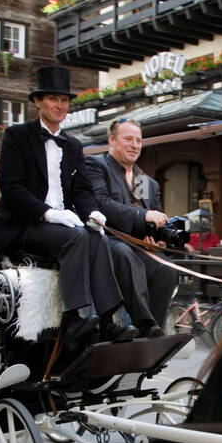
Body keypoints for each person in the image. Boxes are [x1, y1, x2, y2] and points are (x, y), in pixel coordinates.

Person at [0, 66, 136, 349]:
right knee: (79, 237)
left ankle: (107, 320)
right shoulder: (16, 136)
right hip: (26, 224)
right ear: (38, 102)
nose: (60, 106)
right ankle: (76, 315)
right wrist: (48, 213)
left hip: (62, 223)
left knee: (96, 236)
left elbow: (81, 190)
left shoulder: (72, 145)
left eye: (65, 100)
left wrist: (92, 212)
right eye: (53, 99)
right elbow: (11, 187)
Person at [83, 118, 174, 334]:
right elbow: (102, 203)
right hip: (106, 240)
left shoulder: (146, 181)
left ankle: (153, 332)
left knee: (166, 270)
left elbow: (152, 218)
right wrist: (144, 216)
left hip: (137, 246)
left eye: (139, 140)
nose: (135, 145)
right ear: (112, 141)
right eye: (128, 139)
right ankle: (145, 324)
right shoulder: (97, 165)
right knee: (126, 255)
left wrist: (157, 237)